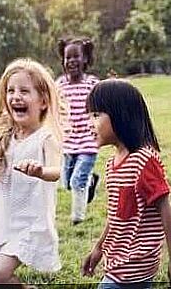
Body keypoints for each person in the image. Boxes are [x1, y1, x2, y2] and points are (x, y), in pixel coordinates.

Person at [0, 58, 65, 285]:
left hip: (30, 222)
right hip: (2, 218)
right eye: (11, 90)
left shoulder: (45, 138)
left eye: (24, 91)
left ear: (43, 101)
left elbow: (57, 171)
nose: (16, 96)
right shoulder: (6, 137)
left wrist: (41, 172)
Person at [81, 79, 171, 288]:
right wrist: (99, 249)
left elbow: (166, 210)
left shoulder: (144, 161)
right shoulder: (113, 163)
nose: (89, 123)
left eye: (95, 115)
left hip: (134, 264)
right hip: (117, 260)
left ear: (120, 115)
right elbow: (118, 215)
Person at [56, 37, 100, 225]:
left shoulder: (92, 83)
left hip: (89, 141)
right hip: (68, 141)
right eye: (68, 57)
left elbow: (103, 103)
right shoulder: (60, 84)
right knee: (66, 182)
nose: (72, 61)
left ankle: (78, 217)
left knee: (76, 181)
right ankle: (91, 181)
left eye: (76, 57)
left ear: (85, 59)